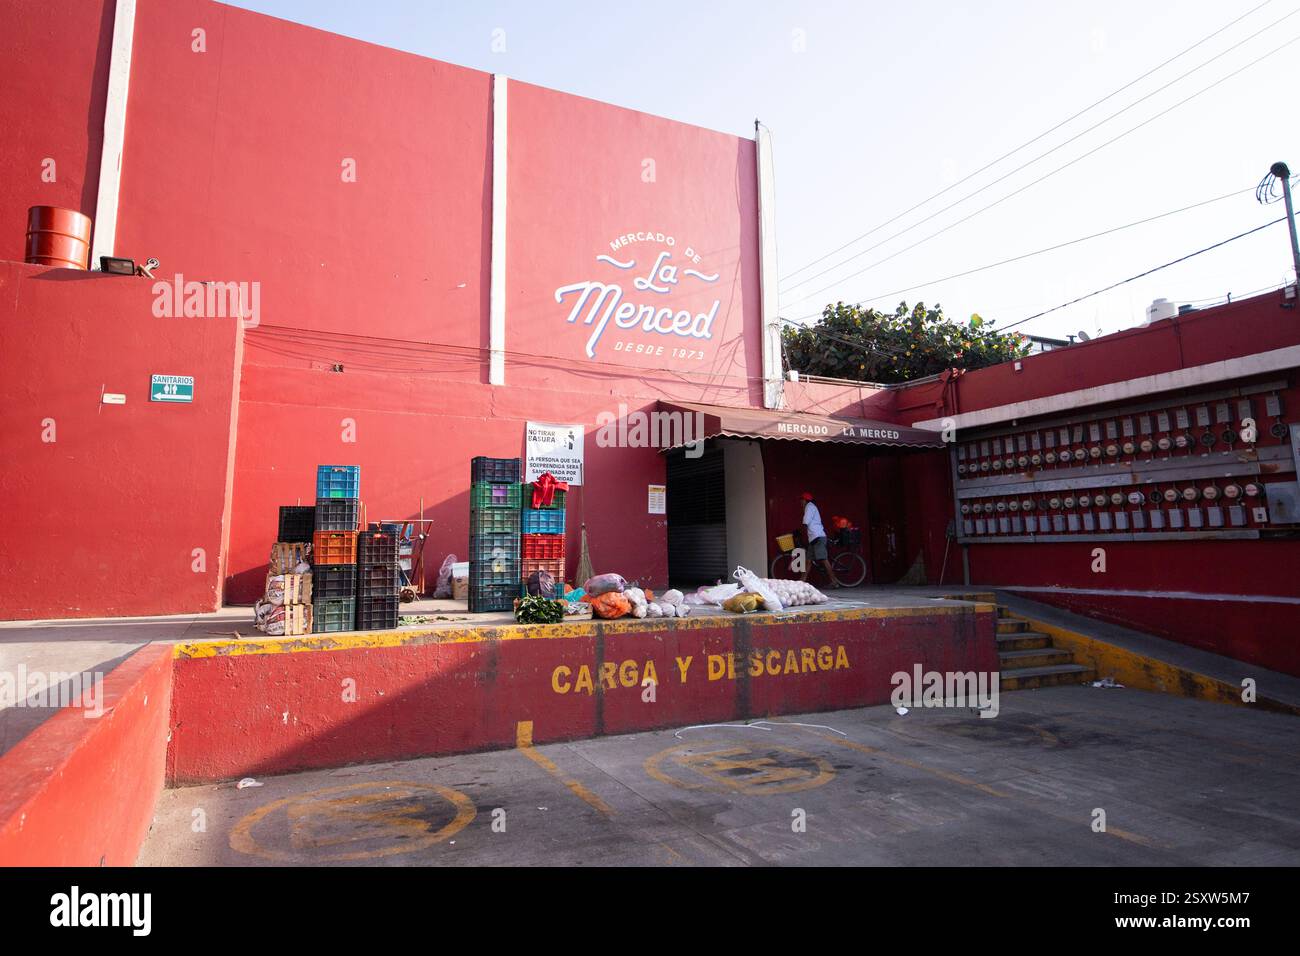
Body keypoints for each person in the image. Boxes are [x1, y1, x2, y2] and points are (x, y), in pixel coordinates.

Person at [797, 492, 843, 588]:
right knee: (808, 561)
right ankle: (801, 583)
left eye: (801, 500)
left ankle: (834, 581)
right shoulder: (811, 507)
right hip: (813, 538)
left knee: (824, 559)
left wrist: (800, 532)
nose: (800, 502)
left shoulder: (809, 507)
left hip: (817, 537)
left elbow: (806, 521)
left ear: (805, 500)